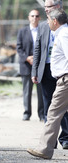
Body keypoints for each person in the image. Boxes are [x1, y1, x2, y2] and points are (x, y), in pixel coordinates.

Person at [27, 9, 68, 159]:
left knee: (53, 113)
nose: (47, 22)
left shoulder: (64, 35)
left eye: (49, 19)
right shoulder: (62, 33)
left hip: (66, 80)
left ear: (55, 21)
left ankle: (44, 149)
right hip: (63, 79)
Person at [16, 9, 44, 121]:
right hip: (26, 66)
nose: (34, 18)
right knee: (27, 91)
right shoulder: (22, 31)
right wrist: (27, 58)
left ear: (40, 18)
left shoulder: (43, 30)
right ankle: (27, 113)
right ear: (29, 17)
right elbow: (19, 47)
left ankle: (42, 114)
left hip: (40, 66)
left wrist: (38, 59)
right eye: (32, 16)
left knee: (41, 91)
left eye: (37, 16)